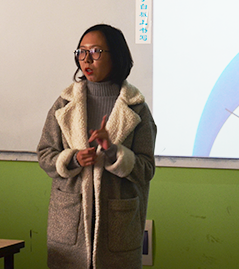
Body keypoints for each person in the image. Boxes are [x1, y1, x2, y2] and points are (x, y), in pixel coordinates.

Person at [37, 24, 157, 269]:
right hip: (69, 221)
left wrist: (113, 152)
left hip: (118, 225)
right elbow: (45, 154)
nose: (87, 59)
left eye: (95, 51)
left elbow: (146, 169)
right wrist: (73, 160)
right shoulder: (64, 104)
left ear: (116, 56)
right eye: (81, 52)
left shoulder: (136, 108)